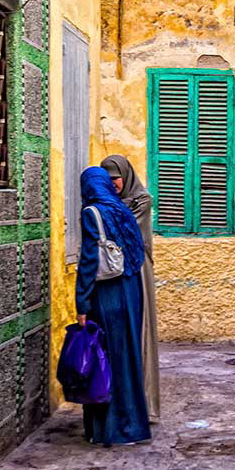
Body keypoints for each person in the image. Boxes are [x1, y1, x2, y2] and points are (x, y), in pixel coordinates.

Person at [75, 166, 152, 446]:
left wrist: (82, 303)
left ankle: (108, 430)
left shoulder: (92, 213)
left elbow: (89, 262)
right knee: (128, 358)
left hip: (106, 295)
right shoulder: (123, 211)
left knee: (104, 360)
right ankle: (133, 426)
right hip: (131, 290)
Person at [101, 154, 161, 421]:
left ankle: (144, 404)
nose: (113, 183)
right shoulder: (105, 202)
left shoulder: (141, 200)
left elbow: (123, 230)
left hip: (138, 267)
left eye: (116, 177)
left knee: (141, 328)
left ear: (125, 175)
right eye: (107, 179)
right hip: (114, 270)